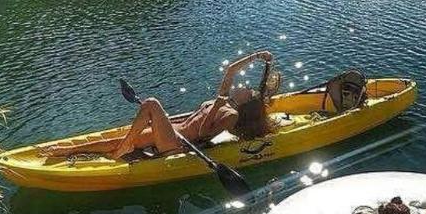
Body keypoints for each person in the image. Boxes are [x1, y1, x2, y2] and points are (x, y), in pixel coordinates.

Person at [44, 51, 277, 160]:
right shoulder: (225, 97)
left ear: (247, 101)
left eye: (249, 91)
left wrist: (215, 107)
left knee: (152, 104)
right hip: (172, 131)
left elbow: (205, 135)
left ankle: (124, 149)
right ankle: (68, 150)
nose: (244, 87)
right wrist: (256, 57)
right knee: (116, 140)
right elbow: (230, 70)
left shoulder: (231, 114)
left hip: (177, 144)